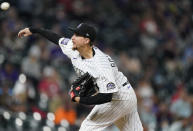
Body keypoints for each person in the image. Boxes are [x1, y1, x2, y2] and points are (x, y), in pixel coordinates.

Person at [18, 23, 143, 131]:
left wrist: (79, 99)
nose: (72, 38)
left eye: (77, 35)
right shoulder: (74, 49)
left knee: (87, 127)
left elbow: (107, 96)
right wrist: (34, 30)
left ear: (86, 40)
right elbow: (57, 38)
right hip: (126, 95)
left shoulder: (100, 64)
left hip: (119, 97)